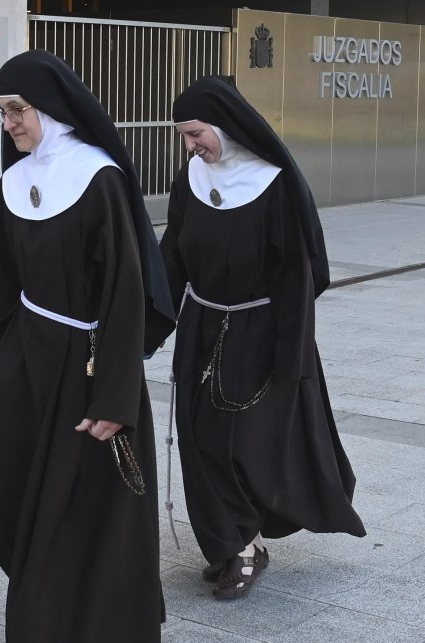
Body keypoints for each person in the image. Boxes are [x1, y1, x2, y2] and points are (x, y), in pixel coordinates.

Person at [0, 50, 177, 642]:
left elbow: (126, 294)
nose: (10, 125)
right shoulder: (16, 179)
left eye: (17, 111)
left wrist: (115, 395)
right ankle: (47, 590)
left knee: (79, 504)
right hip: (27, 358)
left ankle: (70, 616)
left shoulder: (96, 177)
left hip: (87, 363)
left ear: (50, 109)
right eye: (1, 114)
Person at [149, 76, 366, 601]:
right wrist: (148, 326)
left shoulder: (273, 184)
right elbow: (172, 258)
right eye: (183, 136)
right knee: (201, 437)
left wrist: (292, 359)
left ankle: (243, 542)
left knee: (241, 442)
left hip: (260, 330)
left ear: (224, 125)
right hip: (203, 325)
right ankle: (235, 544)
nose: (190, 146)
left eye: (196, 133)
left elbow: (298, 274)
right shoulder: (191, 179)